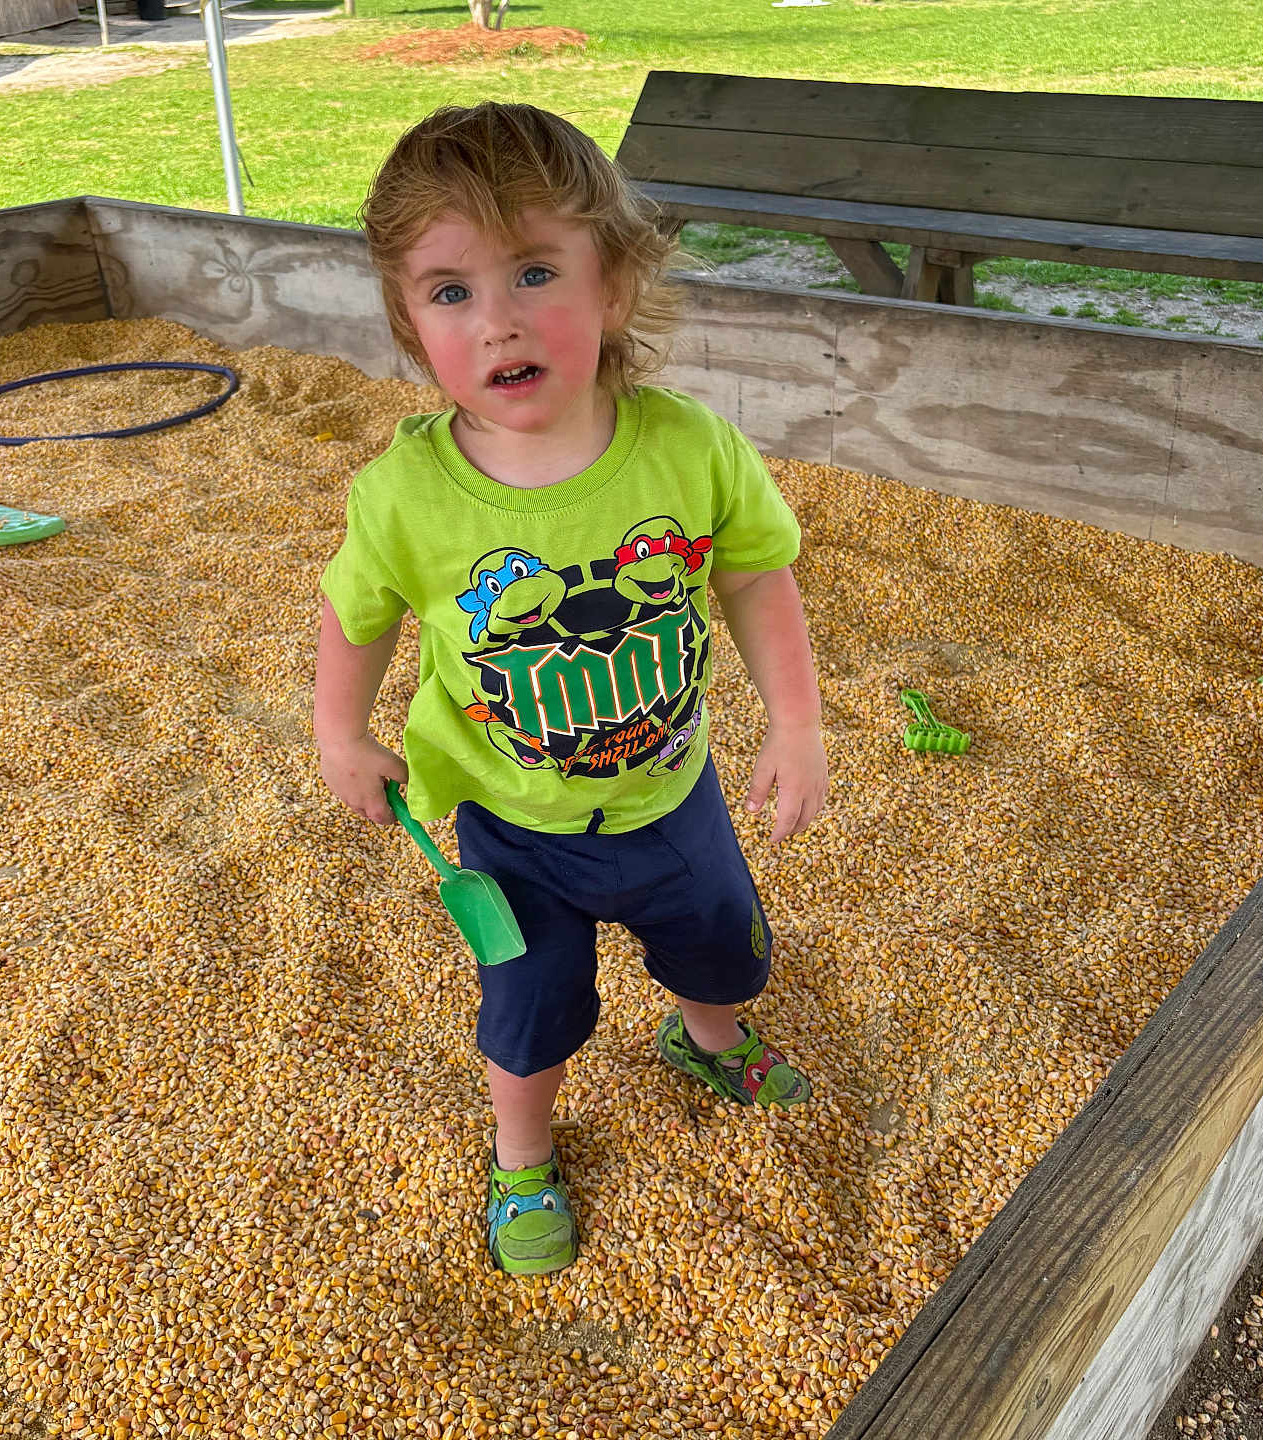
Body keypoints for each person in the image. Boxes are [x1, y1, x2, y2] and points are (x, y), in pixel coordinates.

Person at [314, 101, 828, 1277]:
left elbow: (756, 577)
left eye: (535, 270)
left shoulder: (690, 448)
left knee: (721, 947)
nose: (497, 319)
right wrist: (339, 729)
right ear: (409, 321)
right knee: (530, 1007)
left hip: (672, 795)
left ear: (617, 286)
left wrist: (796, 722)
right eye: (450, 291)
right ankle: (523, 1154)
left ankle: (707, 1040)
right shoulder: (407, 495)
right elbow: (358, 614)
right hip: (513, 823)